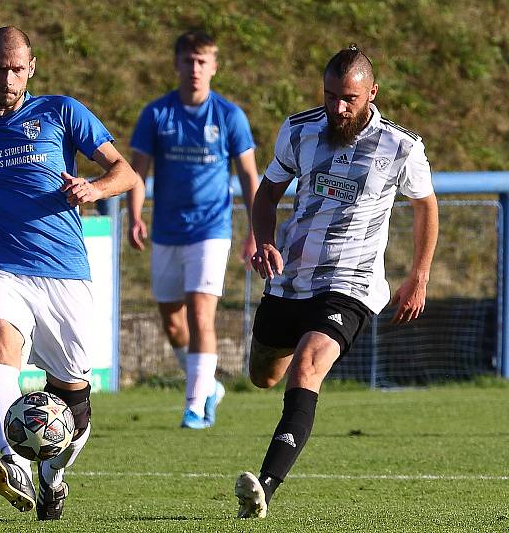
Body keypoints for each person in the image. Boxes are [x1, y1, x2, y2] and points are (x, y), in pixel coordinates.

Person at [0, 26, 136, 521]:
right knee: (0, 340)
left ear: (32, 68)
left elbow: (126, 172)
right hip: (2, 263)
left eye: (17, 69)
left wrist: (94, 189)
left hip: (63, 270)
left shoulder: (61, 111)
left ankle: (53, 477)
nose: (8, 77)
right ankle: (13, 462)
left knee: (74, 395)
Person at [234, 45, 439, 518]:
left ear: (372, 93)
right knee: (264, 375)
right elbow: (267, 194)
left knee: (307, 366)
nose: (337, 108)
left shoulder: (400, 147)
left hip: (352, 282)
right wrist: (264, 240)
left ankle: (263, 487)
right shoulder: (300, 130)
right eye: (330, 96)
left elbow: (426, 206)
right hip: (291, 277)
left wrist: (418, 275)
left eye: (348, 98)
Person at [126, 30, 259, 429]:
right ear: (177, 64)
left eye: (203, 62)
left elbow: (250, 177)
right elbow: (136, 172)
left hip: (211, 230)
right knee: (172, 321)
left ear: (214, 67)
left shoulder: (230, 116)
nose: (195, 69)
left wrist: (257, 230)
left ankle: (195, 406)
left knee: (202, 315)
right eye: (189, 61)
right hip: (167, 230)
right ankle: (208, 386)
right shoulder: (156, 114)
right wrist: (135, 215)